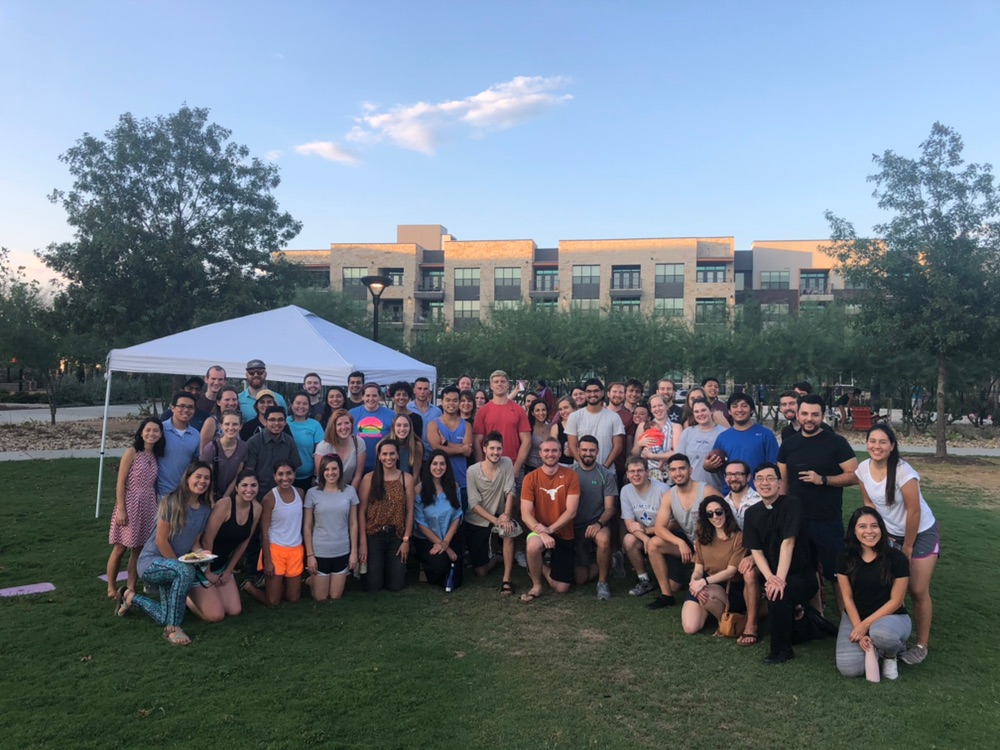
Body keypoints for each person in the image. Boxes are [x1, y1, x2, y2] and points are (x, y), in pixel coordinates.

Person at [856, 424, 938, 665]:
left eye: (883, 442)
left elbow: (914, 511)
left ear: (892, 446)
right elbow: (869, 505)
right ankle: (893, 639)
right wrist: (872, 535)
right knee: (889, 589)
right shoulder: (862, 470)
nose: (877, 446)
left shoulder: (904, 472)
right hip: (888, 534)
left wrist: (908, 547)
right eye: (872, 441)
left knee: (917, 589)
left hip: (919, 533)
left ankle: (921, 644)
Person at [117, 462, 213, 646]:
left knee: (163, 616)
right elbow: (161, 540)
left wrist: (201, 553)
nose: (202, 481)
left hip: (174, 566)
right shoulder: (171, 501)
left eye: (207, 478)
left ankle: (129, 596)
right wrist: (179, 566)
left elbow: (195, 543)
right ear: (188, 478)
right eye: (198, 476)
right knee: (185, 572)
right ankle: (174, 629)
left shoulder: (204, 509)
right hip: (151, 562)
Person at [777, 394, 858, 612]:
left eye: (815, 414)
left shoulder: (836, 443)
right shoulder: (789, 445)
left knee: (837, 573)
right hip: (798, 520)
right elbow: (783, 482)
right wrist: (781, 513)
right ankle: (816, 615)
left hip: (827, 520)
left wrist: (823, 479)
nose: (809, 419)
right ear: (798, 414)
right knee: (805, 570)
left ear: (823, 416)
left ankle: (847, 622)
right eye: (804, 413)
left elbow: (855, 475)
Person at [743, 463, 818, 664]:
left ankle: (781, 651)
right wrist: (770, 578)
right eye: (759, 478)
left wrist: (779, 580)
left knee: (777, 596)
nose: (764, 483)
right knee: (776, 593)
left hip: (801, 575)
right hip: (774, 575)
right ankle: (808, 625)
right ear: (753, 482)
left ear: (779, 483)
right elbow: (756, 551)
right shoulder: (751, 514)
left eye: (770, 478)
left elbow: (789, 542)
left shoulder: (792, 504)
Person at [835, 507, 912, 680]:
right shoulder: (844, 557)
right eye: (862, 527)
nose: (869, 531)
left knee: (882, 634)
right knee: (849, 669)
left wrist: (865, 626)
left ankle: (891, 653)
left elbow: (897, 601)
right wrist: (858, 627)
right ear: (854, 531)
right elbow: (846, 597)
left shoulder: (896, 558)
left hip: (891, 616)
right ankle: (874, 646)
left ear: (881, 529)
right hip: (856, 616)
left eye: (874, 526)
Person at [647, 454, 723, 610]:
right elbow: (660, 527)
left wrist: (704, 544)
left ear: (690, 470)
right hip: (690, 542)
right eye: (673, 470)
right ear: (668, 472)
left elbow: (726, 520)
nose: (678, 473)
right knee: (653, 544)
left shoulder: (706, 491)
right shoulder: (669, 496)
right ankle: (666, 596)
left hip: (712, 544)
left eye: (682, 468)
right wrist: (680, 542)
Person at [192, 469, 262, 621]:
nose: (249, 490)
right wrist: (208, 571)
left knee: (234, 610)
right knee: (216, 616)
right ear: (236, 488)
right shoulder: (224, 505)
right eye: (244, 485)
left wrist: (229, 570)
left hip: (222, 565)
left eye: (253, 485)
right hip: (202, 565)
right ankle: (187, 596)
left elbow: (245, 542)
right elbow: (206, 540)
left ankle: (209, 593)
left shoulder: (256, 509)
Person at [106, 418, 164, 599]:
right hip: (130, 502)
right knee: (120, 548)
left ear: (161, 434)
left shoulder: (155, 455)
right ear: (141, 432)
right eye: (148, 430)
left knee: (138, 549)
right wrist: (121, 508)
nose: (151, 434)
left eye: (156, 431)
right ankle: (111, 587)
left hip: (148, 504)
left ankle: (131, 586)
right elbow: (121, 482)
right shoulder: (132, 452)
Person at [519, 437, 580, 602]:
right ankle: (536, 585)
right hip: (539, 531)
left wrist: (550, 530)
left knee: (562, 588)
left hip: (563, 532)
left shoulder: (571, 475)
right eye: (546, 450)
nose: (550, 454)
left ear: (560, 453)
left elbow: (571, 511)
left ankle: (542, 568)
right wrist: (542, 532)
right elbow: (525, 513)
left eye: (554, 450)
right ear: (540, 453)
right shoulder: (530, 478)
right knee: (533, 546)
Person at [241, 461, 305, 607]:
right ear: (274, 477)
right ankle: (249, 587)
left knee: (293, 597)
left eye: (289, 473)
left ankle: (279, 586)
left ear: (294, 474)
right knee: (273, 602)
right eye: (280, 474)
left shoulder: (300, 493)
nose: (285, 478)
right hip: (276, 550)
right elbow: (264, 532)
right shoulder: (269, 498)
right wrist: (268, 561)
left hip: (295, 549)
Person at [681, 497, 746, 635]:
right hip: (707, 582)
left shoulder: (738, 537)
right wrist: (695, 581)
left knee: (706, 593)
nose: (715, 517)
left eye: (718, 512)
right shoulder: (702, 537)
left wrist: (703, 582)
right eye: (710, 514)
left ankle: (721, 622)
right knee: (690, 628)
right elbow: (698, 568)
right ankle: (711, 609)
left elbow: (731, 571)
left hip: (730, 586)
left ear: (726, 512)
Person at [359, 439, 415, 593]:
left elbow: (410, 510)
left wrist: (406, 540)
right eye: (384, 454)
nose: (388, 457)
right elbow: (361, 511)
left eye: (392, 454)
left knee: (396, 586)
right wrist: (363, 543)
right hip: (374, 534)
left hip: (396, 535)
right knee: (373, 586)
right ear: (379, 456)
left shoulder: (406, 479)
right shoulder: (369, 478)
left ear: (398, 456)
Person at [465, 431, 517, 591]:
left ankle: (506, 580)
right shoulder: (472, 471)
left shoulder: (507, 462)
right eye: (492, 448)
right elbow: (473, 504)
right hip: (477, 519)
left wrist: (506, 517)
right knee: (481, 571)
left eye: (499, 448)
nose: (496, 452)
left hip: (500, 514)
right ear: (485, 449)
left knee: (508, 531)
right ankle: (495, 558)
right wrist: (496, 521)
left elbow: (510, 491)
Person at [304, 454, 360, 601]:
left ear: (340, 470)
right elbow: (307, 526)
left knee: (335, 596)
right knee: (320, 598)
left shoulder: (350, 491)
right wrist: (310, 556)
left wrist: (354, 552)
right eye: (327, 469)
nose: (331, 473)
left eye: (334, 469)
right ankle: (311, 581)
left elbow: (353, 524)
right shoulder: (312, 493)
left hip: (341, 549)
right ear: (322, 472)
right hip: (320, 551)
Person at [722, 459, 763, 646]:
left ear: (748, 477)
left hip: (760, 554)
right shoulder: (722, 505)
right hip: (734, 555)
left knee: (748, 573)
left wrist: (753, 556)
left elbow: (769, 538)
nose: (734, 478)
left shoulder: (760, 501)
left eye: (738, 474)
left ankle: (751, 626)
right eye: (729, 474)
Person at [572, 435, 618, 600]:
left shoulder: (605, 474)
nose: (588, 453)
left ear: (597, 452)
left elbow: (610, 508)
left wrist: (598, 524)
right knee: (580, 579)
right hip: (574, 527)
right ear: (578, 451)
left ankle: (602, 582)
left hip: (597, 523)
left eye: (592, 450)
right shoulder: (570, 472)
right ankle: (611, 561)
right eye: (584, 450)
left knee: (604, 538)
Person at [413, 449, 465, 590]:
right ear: (429, 465)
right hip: (428, 539)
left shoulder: (453, 486)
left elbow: (457, 516)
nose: (438, 467)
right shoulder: (419, 490)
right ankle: (424, 568)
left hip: (448, 536)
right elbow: (420, 523)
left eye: (442, 464)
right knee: (441, 565)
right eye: (434, 464)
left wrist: (446, 543)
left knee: (458, 578)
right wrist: (444, 547)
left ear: (447, 466)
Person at [620, 456, 669, 597]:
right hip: (644, 533)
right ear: (627, 474)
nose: (636, 475)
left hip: (664, 533)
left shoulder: (662, 489)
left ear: (648, 472)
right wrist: (645, 538)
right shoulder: (626, 491)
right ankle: (644, 580)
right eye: (632, 471)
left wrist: (648, 531)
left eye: (640, 471)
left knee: (674, 586)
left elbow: (673, 523)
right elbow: (629, 523)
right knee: (628, 540)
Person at [707, 393, 779, 484]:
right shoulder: (722, 437)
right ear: (729, 411)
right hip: (730, 493)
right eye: (735, 406)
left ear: (751, 410)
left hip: (758, 493)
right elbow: (715, 465)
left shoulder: (766, 435)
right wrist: (708, 466)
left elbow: (774, 466)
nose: (739, 410)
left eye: (744, 406)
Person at [473, 370, 530, 479]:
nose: (499, 384)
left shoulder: (518, 410)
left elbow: (526, 440)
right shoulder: (483, 411)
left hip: (512, 466)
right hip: (489, 467)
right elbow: (477, 441)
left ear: (508, 385)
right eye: (496, 381)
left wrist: (517, 467)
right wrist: (481, 467)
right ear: (491, 386)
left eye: (503, 381)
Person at [427, 385, 472, 510]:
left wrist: (445, 443)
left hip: (462, 482)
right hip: (439, 483)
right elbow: (436, 449)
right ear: (442, 402)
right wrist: (461, 449)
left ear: (459, 402)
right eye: (448, 400)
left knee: (461, 523)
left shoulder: (467, 425)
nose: (451, 403)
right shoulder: (433, 424)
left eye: (455, 400)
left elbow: (467, 451)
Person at [565, 378, 624, 469]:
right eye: (589, 391)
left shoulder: (614, 417)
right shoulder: (574, 417)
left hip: (607, 471)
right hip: (580, 470)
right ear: (585, 394)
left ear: (602, 393)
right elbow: (572, 445)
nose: (592, 394)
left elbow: (618, 446)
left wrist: (604, 467)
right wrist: (583, 466)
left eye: (596, 391)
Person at [245, 407, 301, 500]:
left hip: (283, 492)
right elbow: (249, 472)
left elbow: (294, 467)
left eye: (280, 420)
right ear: (265, 421)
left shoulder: (289, 441)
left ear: (285, 422)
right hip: (259, 494)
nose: (276, 423)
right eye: (272, 420)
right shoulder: (253, 442)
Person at [156, 391, 202, 499]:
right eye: (182, 406)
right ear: (172, 408)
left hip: (183, 494)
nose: (186, 410)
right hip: (159, 493)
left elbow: (194, 462)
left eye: (190, 407)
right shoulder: (160, 430)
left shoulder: (195, 435)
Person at [675, 398, 726, 490]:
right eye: (696, 412)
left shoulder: (723, 433)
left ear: (711, 411)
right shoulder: (688, 432)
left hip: (715, 488)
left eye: (703, 410)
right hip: (690, 489)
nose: (700, 414)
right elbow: (679, 460)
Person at [631, 394, 681, 482]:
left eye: (660, 405)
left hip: (669, 476)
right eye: (654, 406)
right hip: (647, 476)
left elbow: (677, 454)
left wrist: (653, 456)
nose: (657, 409)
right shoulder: (643, 426)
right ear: (651, 409)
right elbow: (634, 454)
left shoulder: (676, 427)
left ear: (667, 406)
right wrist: (640, 444)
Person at [199, 410, 248, 500]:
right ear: (221, 426)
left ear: (240, 426)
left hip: (231, 496)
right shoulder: (211, 448)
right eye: (227, 424)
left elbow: (237, 476)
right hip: (210, 495)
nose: (231, 427)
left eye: (235, 424)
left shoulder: (243, 447)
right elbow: (206, 476)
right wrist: (212, 499)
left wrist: (225, 497)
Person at [314, 409, 366, 491]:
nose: (343, 427)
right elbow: (321, 476)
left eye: (347, 423)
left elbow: (358, 475)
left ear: (351, 424)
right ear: (333, 427)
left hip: (350, 489)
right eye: (339, 424)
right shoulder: (323, 446)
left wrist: (350, 494)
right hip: (327, 489)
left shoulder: (359, 443)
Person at [350, 383, 396, 474]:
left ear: (380, 397)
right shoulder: (351, 414)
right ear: (362, 397)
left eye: (374, 395)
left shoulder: (392, 415)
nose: (371, 399)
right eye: (367, 395)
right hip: (356, 465)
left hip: (382, 465)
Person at [287, 392, 325, 492]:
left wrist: (316, 476)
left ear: (309, 406)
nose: (301, 406)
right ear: (291, 405)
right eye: (298, 403)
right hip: (285, 477)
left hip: (308, 477)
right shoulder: (284, 422)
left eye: (304, 404)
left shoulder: (315, 425)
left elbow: (320, 453)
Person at [199, 386, 241, 451]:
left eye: (234, 400)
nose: (231, 403)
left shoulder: (238, 421)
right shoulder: (211, 422)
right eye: (227, 400)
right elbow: (203, 451)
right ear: (218, 402)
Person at [408, 376, 442, 452]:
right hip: (413, 453)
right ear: (414, 390)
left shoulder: (437, 412)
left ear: (429, 391)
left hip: (432, 454)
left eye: (425, 389)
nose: (422, 392)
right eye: (419, 389)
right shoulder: (407, 409)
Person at [525, 400, 552, 473]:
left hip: (549, 469)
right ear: (532, 413)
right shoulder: (528, 429)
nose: (541, 413)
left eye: (543, 410)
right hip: (531, 469)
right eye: (537, 410)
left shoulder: (551, 428)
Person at [550, 396, 577, 466]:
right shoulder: (556, 428)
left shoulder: (582, 425)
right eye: (560, 409)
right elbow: (552, 448)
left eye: (566, 408)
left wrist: (575, 452)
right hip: (561, 465)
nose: (563, 411)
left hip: (579, 465)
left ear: (573, 408)